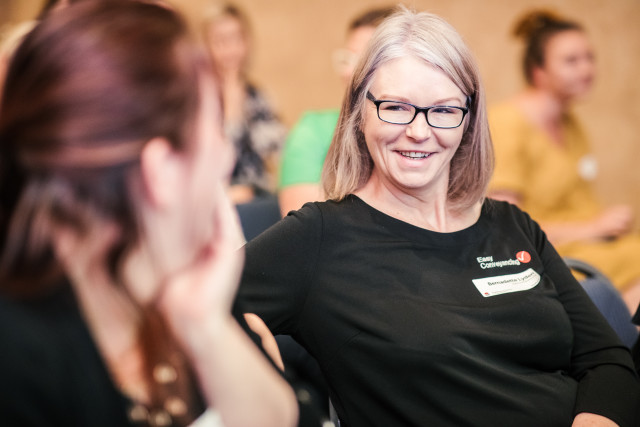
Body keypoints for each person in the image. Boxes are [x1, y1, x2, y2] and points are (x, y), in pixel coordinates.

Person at [238, 7, 640, 427]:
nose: (418, 131)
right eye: (396, 107)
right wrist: (278, 398)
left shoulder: (512, 225)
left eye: (444, 110)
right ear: (360, 111)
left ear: (468, 120)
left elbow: (607, 360)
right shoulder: (322, 235)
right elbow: (207, 310)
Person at [0, 1, 299, 426]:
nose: (226, 156)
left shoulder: (188, 283)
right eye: (213, 129)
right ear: (161, 171)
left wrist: (205, 326)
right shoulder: (18, 360)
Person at [487, 10, 640, 313]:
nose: (587, 69)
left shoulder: (571, 124)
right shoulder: (505, 124)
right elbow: (506, 228)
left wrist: (604, 225)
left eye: (590, 58)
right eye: (571, 61)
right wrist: (592, 227)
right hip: (547, 256)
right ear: (538, 71)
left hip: (595, 248)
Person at [277, 6, 394, 217]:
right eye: (348, 59)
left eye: (364, 60)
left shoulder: (415, 133)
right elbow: (303, 223)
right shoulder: (313, 130)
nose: (348, 71)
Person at [204, 2, 287, 205]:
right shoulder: (201, 99)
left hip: (257, 194)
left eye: (236, 39)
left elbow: (280, 148)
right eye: (220, 41)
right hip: (216, 197)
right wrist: (231, 112)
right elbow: (214, 163)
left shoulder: (257, 96)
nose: (230, 50)